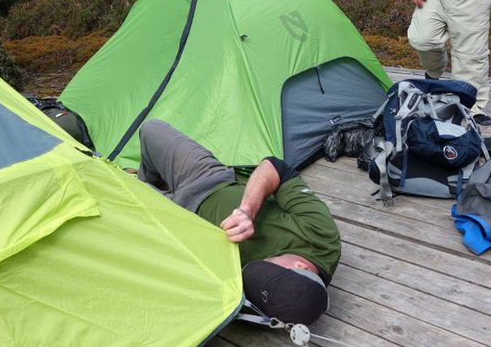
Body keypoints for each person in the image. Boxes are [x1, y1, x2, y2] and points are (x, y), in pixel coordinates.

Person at [136, 119, 341, 326]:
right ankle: (149, 181)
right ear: (301, 266)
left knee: (117, 189)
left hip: (179, 224)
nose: (262, 263)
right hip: (209, 179)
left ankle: (144, 186)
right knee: (151, 129)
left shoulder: (266, 307)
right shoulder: (322, 235)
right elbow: (275, 167)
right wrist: (247, 211)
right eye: (268, 265)